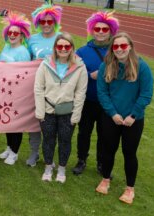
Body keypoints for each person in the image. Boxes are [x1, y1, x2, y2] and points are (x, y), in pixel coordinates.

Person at [95, 33, 153, 204]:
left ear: (130, 47)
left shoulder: (141, 67)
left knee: (129, 153)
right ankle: (105, 179)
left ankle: (130, 189)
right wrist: (113, 113)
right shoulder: (105, 66)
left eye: (123, 46)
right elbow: (102, 92)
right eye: (116, 46)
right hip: (111, 118)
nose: (119, 49)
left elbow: (146, 94)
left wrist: (133, 115)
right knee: (108, 150)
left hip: (133, 120)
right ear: (112, 48)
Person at [34, 33, 88, 183]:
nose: (63, 49)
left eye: (67, 46)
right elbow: (38, 89)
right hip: (47, 110)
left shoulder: (80, 67)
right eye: (60, 46)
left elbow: (80, 93)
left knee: (65, 141)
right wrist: (40, 111)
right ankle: (48, 167)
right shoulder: (45, 65)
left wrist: (75, 116)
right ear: (55, 48)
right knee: (48, 140)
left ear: (71, 48)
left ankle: (62, 169)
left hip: (68, 112)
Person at [73, 11, 119, 175]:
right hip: (87, 100)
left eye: (104, 29)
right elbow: (73, 73)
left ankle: (102, 163)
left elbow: (122, 73)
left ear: (110, 31)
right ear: (92, 30)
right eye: (97, 28)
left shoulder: (116, 51)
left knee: (105, 134)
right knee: (84, 132)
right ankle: (81, 160)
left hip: (108, 101)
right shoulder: (82, 51)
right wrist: (88, 75)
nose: (100, 32)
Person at [26, 2, 63, 167]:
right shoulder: (32, 39)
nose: (46, 25)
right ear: (38, 23)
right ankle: (34, 153)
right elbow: (25, 61)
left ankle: (49, 156)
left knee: (51, 124)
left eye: (49, 21)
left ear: (55, 22)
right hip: (35, 86)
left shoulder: (61, 38)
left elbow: (68, 60)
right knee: (35, 120)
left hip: (56, 87)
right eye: (43, 22)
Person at [0, 12, 33, 165]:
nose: (12, 35)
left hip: (17, 92)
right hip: (5, 91)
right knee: (7, 121)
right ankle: (9, 147)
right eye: (10, 32)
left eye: (15, 33)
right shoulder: (6, 47)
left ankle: (15, 152)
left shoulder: (23, 52)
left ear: (21, 35)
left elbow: (23, 75)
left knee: (16, 123)